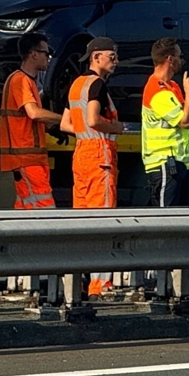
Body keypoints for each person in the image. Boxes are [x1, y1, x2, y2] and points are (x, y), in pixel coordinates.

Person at [61, 37, 125, 296]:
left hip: (81, 155)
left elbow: (66, 125)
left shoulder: (77, 85)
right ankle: (100, 284)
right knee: (103, 221)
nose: (116, 60)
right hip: (100, 155)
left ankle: (77, 281)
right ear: (96, 57)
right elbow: (94, 119)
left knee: (83, 222)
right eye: (112, 55)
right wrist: (116, 127)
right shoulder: (97, 84)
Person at [0, 32, 62, 208]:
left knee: (27, 207)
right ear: (33, 54)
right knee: (44, 207)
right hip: (26, 159)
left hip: (30, 158)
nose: (48, 58)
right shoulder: (20, 80)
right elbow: (34, 113)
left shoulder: (27, 81)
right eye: (46, 53)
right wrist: (65, 118)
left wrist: (51, 128)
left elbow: (29, 119)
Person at [142, 37, 189, 207]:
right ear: (170, 59)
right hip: (165, 163)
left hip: (178, 162)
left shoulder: (171, 86)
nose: (182, 60)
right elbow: (185, 122)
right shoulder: (157, 90)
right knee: (167, 218)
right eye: (180, 56)